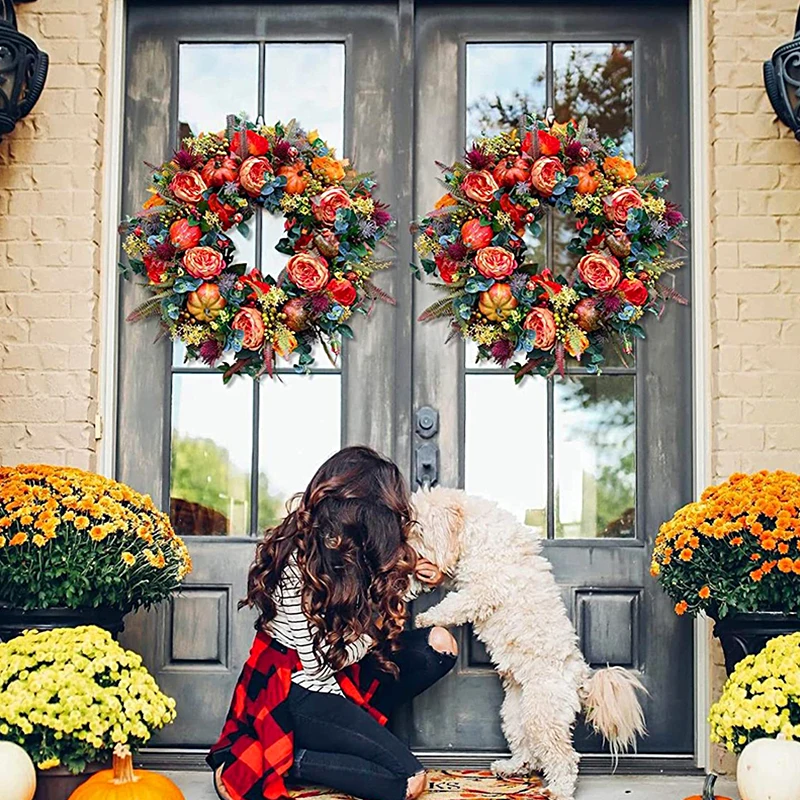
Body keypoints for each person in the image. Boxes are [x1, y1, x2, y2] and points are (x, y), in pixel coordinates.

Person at [208, 446, 458, 800]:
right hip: (296, 686)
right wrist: (372, 638)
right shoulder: (296, 556)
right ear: (364, 512)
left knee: (440, 645)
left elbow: (365, 630)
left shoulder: (356, 547)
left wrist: (413, 578)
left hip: (339, 670)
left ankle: (350, 738)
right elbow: (318, 664)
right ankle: (284, 759)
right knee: (408, 782)